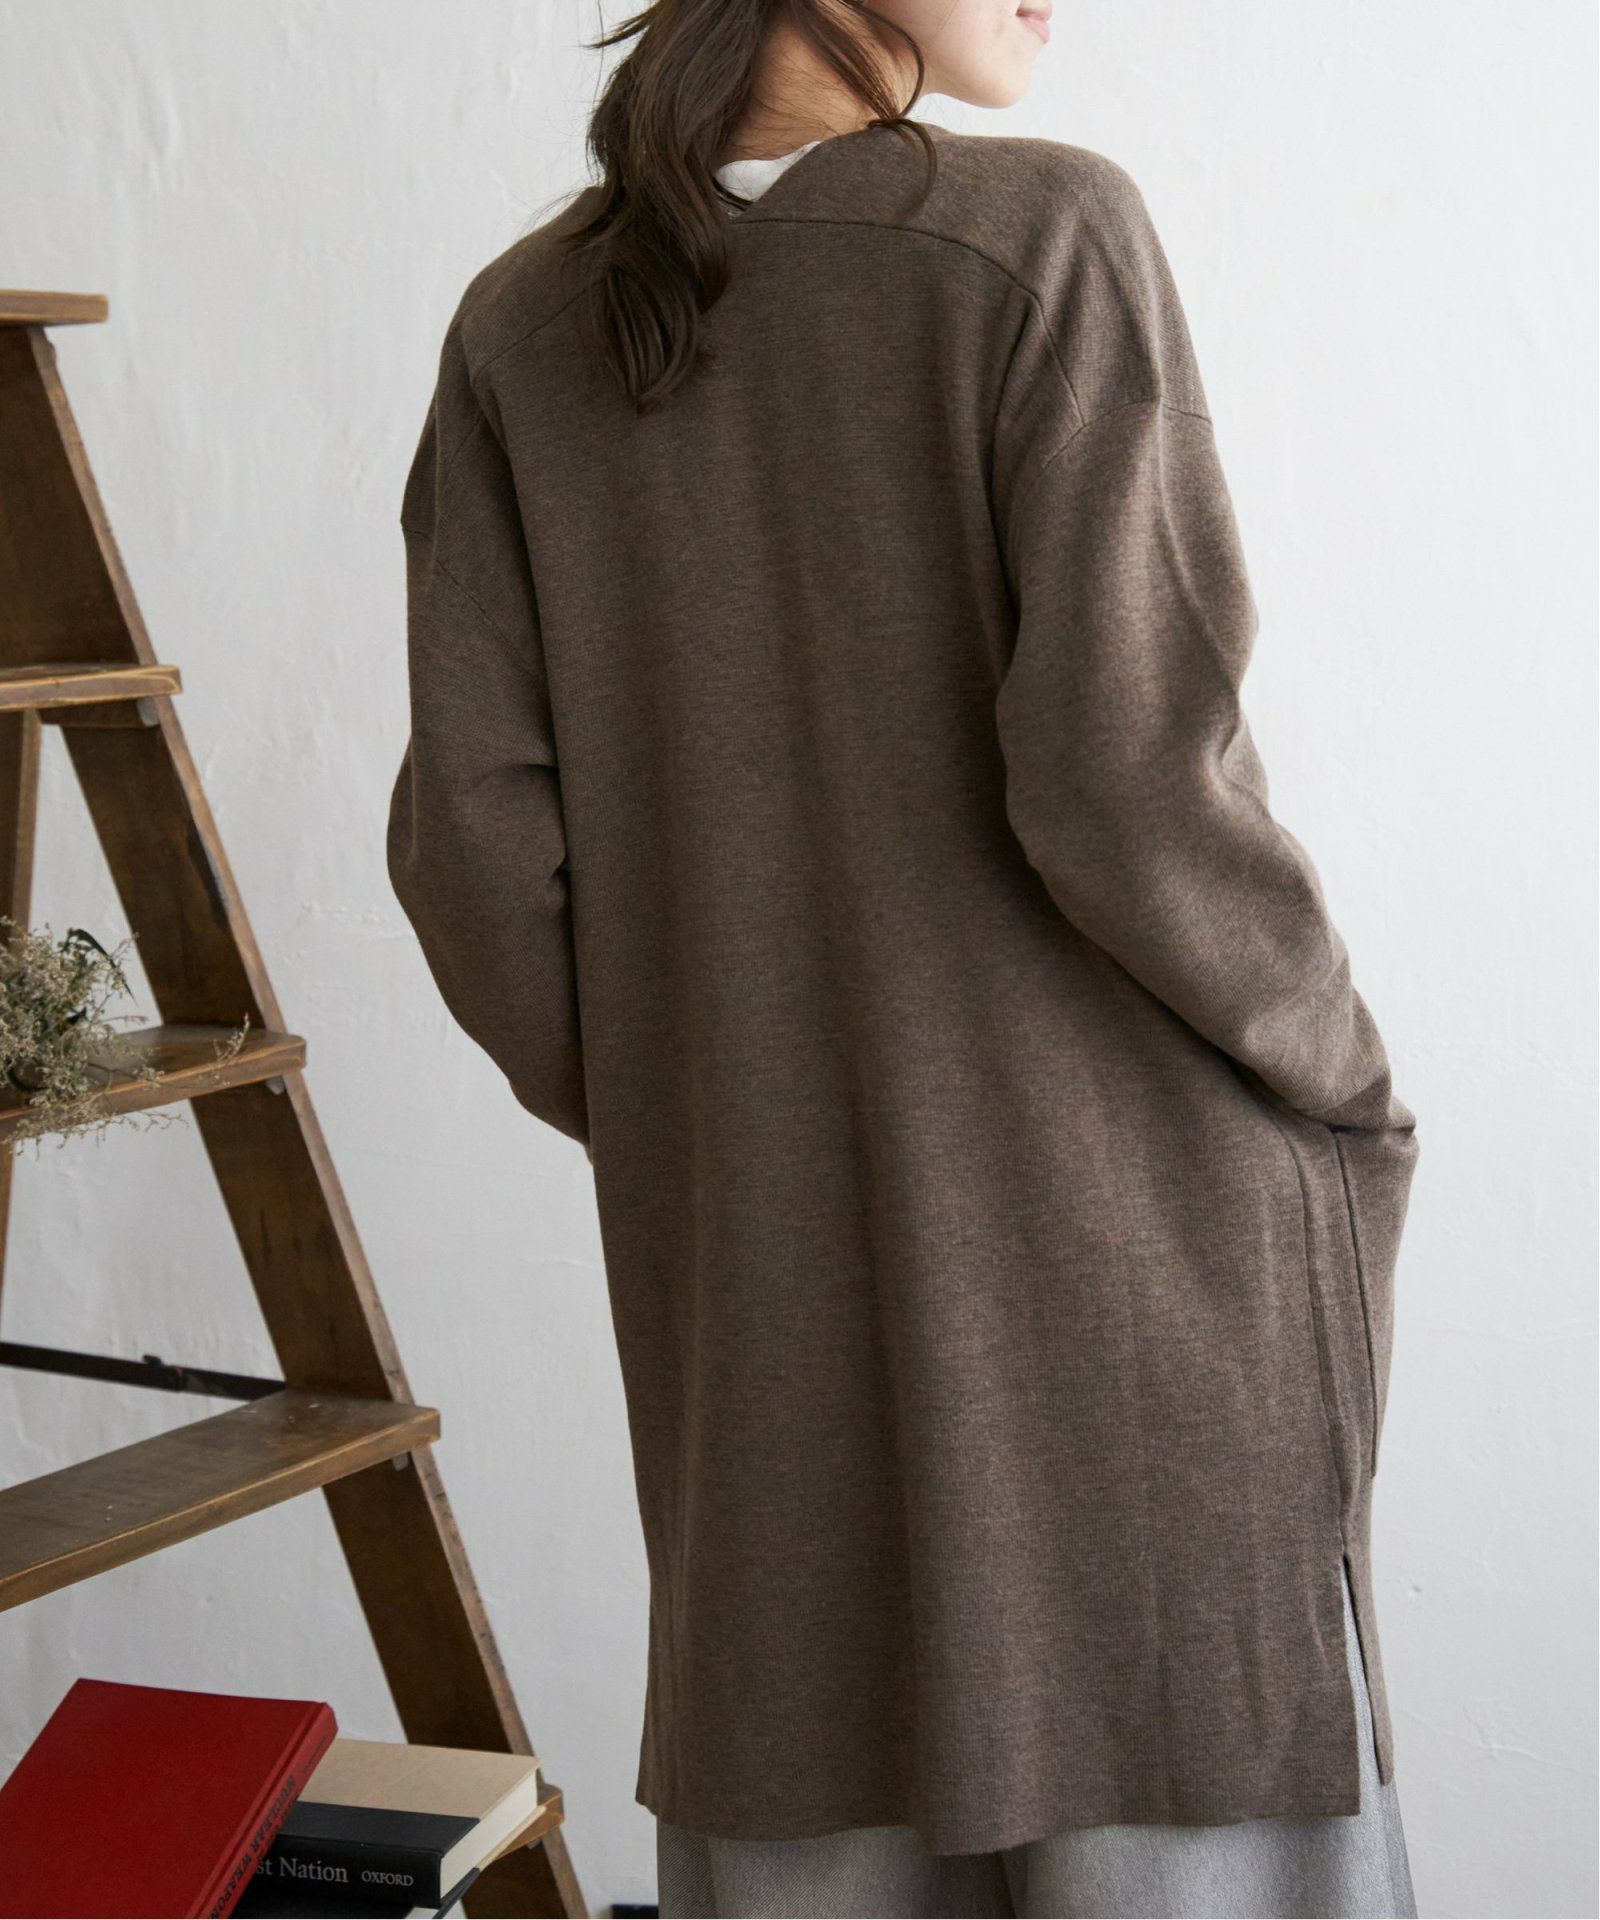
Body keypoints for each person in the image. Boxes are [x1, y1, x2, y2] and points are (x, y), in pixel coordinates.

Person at [385, 2, 1422, 1914]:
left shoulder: (520, 327)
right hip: (1127, 1283)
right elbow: (1132, 779)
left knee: (805, 1805)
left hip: (766, 1317)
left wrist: (719, 1111)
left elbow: (476, 865)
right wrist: (1337, 1073)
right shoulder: (1038, 234)